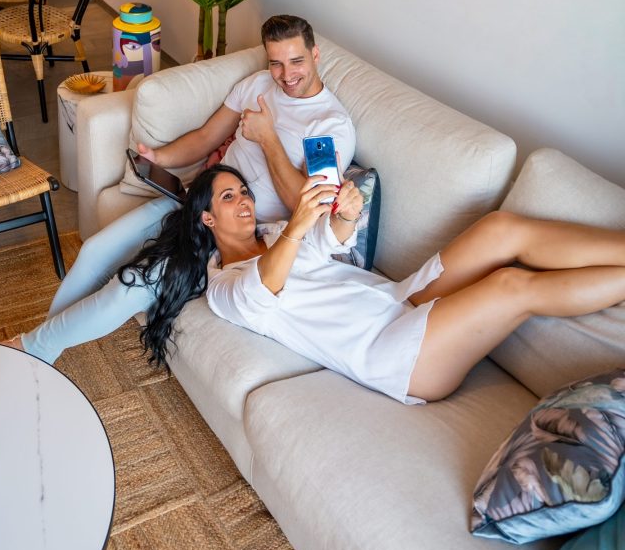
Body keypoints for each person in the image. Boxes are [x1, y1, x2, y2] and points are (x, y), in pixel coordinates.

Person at [118, 164, 625, 405]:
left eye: (244, 191)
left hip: (400, 299)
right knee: (511, 285)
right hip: (396, 355)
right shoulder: (223, 287)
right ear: (207, 218)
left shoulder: (272, 233)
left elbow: (325, 241)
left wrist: (345, 213)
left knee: (500, 228)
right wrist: (297, 226)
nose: (245, 200)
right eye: (229, 197)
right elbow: (262, 289)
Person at [11, 14, 355, 362]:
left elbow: (307, 208)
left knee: (132, 285)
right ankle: (40, 349)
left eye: (296, 61)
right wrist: (158, 157)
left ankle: (29, 350)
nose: (285, 74)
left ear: (315, 55)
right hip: (195, 200)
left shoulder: (329, 125)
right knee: (94, 252)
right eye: (276, 63)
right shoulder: (258, 85)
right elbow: (206, 137)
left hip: (231, 234)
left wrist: (268, 138)